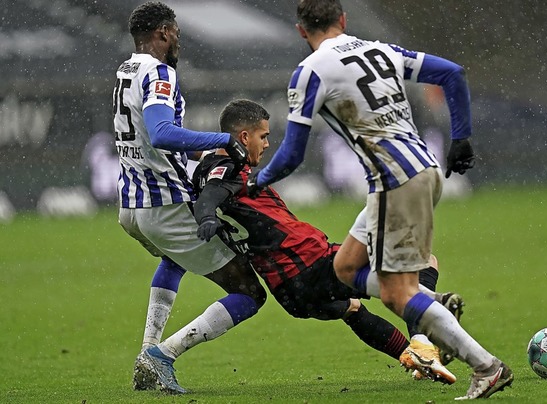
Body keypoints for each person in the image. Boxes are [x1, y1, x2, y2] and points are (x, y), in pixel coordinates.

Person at [246, 1, 513, 399]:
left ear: (302, 31)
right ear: (344, 20)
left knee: (395, 293)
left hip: (395, 180)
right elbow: (452, 73)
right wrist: (460, 137)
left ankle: (486, 366)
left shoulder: (311, 70)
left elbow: (292, 154)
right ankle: (432, 303)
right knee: (345, 266)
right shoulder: (379, 50)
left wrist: (258, 180)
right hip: (422, 168)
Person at [113, 2, 266, 394]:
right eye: (176, 31)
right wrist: (222, 140)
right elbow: (162, 133)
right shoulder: (160, 73)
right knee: (249, 293)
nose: (179, 38)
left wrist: (205, 152)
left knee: (173, 259)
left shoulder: (128, 70)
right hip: (163, 204)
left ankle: (148, 352)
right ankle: (162, 355)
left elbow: (153, 141)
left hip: (132, 206)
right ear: (163, 33)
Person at [191, 98, 413, 364]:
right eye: (263, 137)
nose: (266, 144)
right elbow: (210, 197)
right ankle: (427, 338)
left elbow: (207, 178)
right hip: (308, 261)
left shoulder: (208, 166)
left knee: (353, 308)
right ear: (244, 136)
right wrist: (205, 216)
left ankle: (410, 356)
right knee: (411, 265)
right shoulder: (231, 170)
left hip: (287, 289)